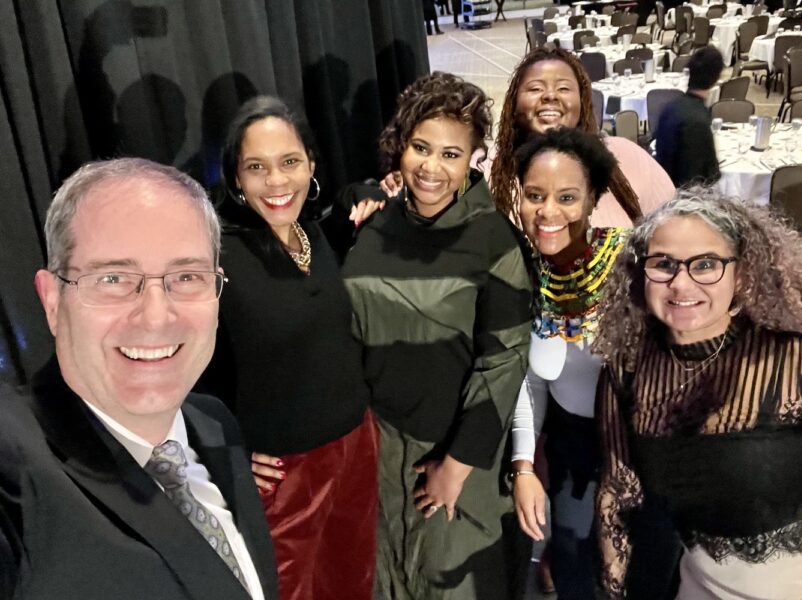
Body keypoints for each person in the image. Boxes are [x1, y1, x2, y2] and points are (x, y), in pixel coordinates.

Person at [593, 188, 802, 599]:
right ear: (639, 273)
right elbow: (617, 492)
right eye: (662, 264)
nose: (681, 283)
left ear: (742, 276)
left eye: (706, 265)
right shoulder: (626, 371)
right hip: (705, 584)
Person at [0, 158, 278, 599]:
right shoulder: (14, 469)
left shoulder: (213, 420)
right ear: (52, 301)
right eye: (113, 277)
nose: (155, 317)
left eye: (186, 276)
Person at [342, 72, 533, 599]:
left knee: (450, 582)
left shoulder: (494, 240)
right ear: (400, 145)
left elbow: (506, 360)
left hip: (452, 450)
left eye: (451, 154)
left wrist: (458, 464)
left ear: (473, 158)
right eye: (420, 147)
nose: (431, 167)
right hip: (374, 447)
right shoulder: (374, 227)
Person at [201, 96, 378, 600]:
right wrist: (225, 452)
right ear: (236, 178)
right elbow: (186, 370)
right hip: (287, 475)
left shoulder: (313, 232)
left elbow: (353, 203)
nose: (277, 182)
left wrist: (365, 192)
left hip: (357, 447)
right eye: (257, 168)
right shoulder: (215, 256)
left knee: (354, 583)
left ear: (311, 166)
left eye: (290, 163)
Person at [509, 127, 625, 599]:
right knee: (576, 570)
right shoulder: (527, 273)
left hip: (637, 450)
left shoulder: (631, 263)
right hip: (570, 443)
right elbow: (533, 384)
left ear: (593, 197)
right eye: (535, 195)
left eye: (567, 196)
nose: (548, 212)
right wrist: (523, 467)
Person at [491, 46, 674, 229]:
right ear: (513, 105)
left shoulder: (628, 157)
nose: (550, 95)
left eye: (563, 88)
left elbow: (674, 227)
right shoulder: (490, 173)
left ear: (582, 102)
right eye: (535, 88)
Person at [654, 47, 724, 188]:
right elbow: (707, 176)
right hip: (683, 198)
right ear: (716, 78)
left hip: (660, 186)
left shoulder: (670, 107)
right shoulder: (699, 120)